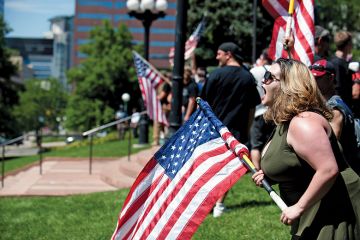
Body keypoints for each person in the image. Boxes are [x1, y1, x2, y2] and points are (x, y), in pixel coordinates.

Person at [252, 58, 360, 239]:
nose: (263, 81)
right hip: (315, 212)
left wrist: (299, 207)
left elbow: (328, 169)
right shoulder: (285, 122)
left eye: (269, 76)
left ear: (288, 85)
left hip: (336, 212)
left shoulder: (303, 123)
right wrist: (268, 175)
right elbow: (298, 165)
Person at [200, 42, 261, 217]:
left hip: (212, 130)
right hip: (236, 130)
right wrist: (247, 129)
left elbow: (203, 104)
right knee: (227, 169)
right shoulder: (247, 77)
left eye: (219, 53)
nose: (216, 57)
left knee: (210, 168)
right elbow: (252, 107)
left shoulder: (215, 75)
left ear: (228, 54)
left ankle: (208, 204)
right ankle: (219, 205)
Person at [310, 59, 360, 174]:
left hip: (345, 174)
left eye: (318, 78)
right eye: (312, 78)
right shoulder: (326, 105)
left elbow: (329, 148)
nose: (314, 82)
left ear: (331, 78)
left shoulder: (334, 110)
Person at [250, 50, 275, 169]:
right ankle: (268, 168)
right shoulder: (276, 70)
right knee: (270, 142)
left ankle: (257, 170)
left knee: (256, 144)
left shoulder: (256, 70)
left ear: (263, 58)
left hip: (258, 110)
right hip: (274, 111)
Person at [330, 31, 353, 109]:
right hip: (342, 107)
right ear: (348, 45)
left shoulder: (333, 60)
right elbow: (338, 88)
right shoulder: (338, 63)